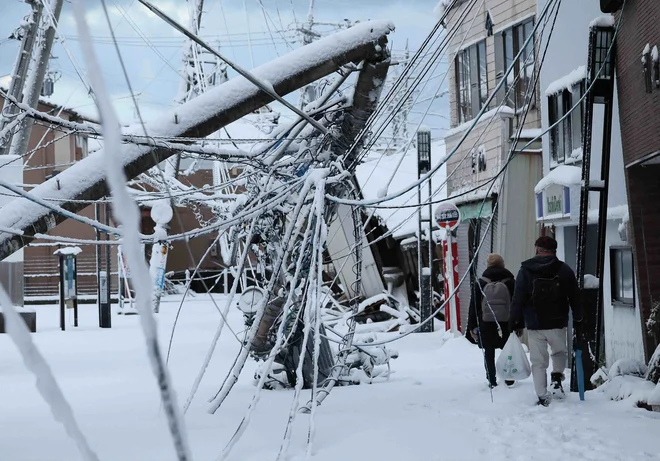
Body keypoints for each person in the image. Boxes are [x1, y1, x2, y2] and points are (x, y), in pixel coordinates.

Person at [509, 236, 583, 406]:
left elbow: (518, 298)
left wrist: (515, 322)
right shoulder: (563, 270)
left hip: (535, 324)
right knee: (559, 352)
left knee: (538, 361)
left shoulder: (525, 270)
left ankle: (542, 394)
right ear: (554, 251)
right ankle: (557, 378)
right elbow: (575, 296)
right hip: (557, 322)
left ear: (537, 249)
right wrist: (578, 317)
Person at [467, 253, 516, 389]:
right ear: (503, 265)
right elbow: (517, 303)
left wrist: (472, 326)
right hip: (506, 322)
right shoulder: (511, 281)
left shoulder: (481, 282)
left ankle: (492, 379)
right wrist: (518, 324)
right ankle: (509, 378)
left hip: (486, 322)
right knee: (508, 350)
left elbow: (474, 305)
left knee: (488, 351)